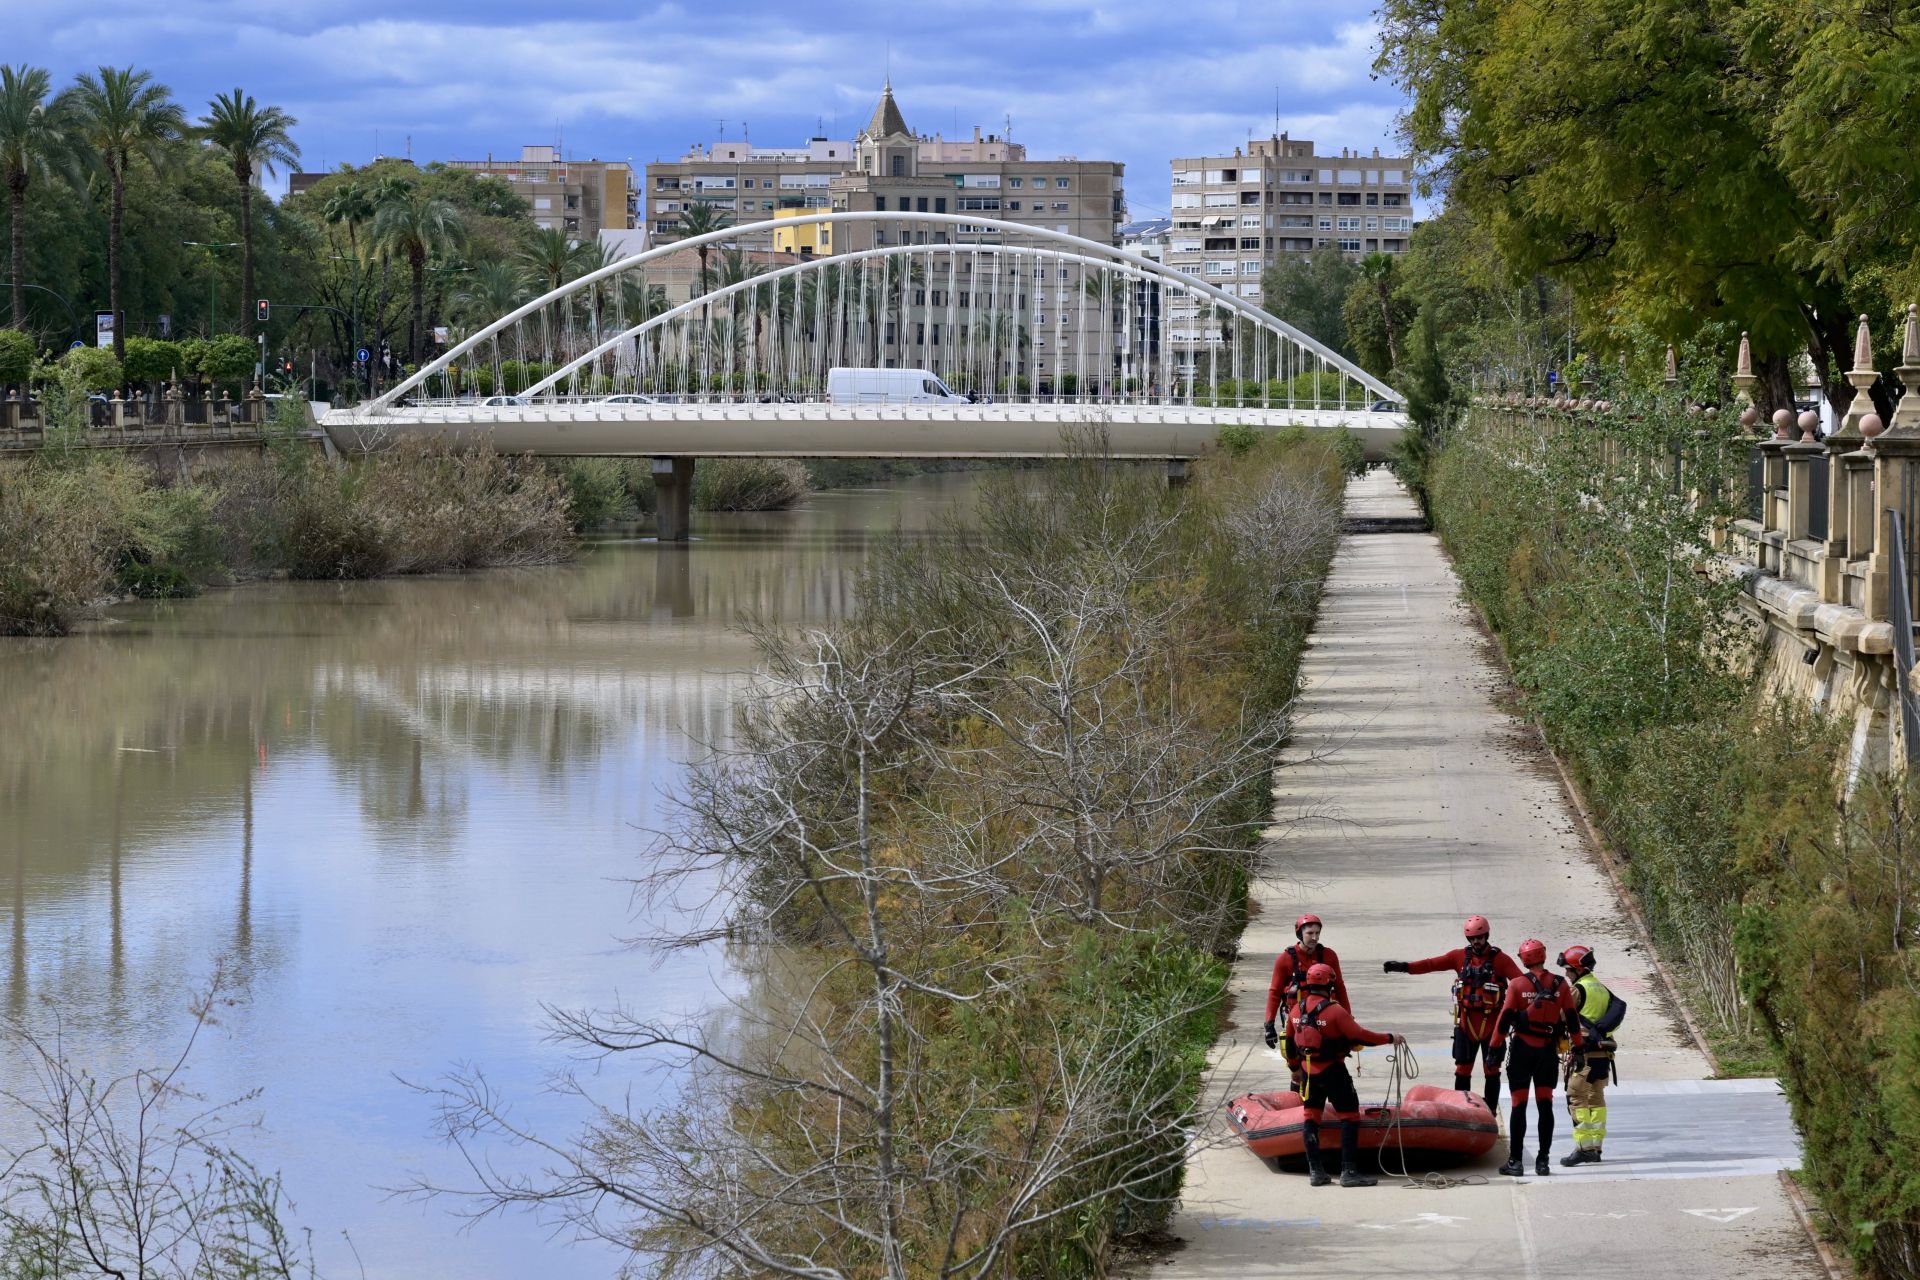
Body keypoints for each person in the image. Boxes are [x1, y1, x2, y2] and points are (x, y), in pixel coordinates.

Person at [1382, 914, 1522, 1120]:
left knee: (1491, 1070)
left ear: (1487, 936)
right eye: (1473, 939)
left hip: (1492, 1026)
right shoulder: (1459, 957)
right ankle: (1461, 1112)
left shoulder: (1501, 960)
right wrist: (1405, 967)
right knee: (1462, 1071)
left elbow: (1520, 982)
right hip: (1467, 1025)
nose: (1476, 942)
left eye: (1480, 938)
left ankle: (1490, 1113)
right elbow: (1432, 964)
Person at [1286, 962, 1406, 1187]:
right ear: (1329, 983)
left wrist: (1295, 1070)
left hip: (1308, 1073)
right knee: (1349, 1117)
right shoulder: (1335, 1011)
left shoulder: (1295, 1010)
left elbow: (1291, 1045)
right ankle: (1349, 1171)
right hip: (1333, 1071)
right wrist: (1390, 1038)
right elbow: (1361, 1036)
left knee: (1311, 1118)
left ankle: (1316, 1171)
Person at [1490, 938, 1579, 1177]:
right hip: (1547, 1052)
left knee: (1519, 1105)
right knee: (1545, 1105)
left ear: (1523, 959)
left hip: (1522, 1051)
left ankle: (1516, 1162)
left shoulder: (1517, 985)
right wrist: (1578, 1048)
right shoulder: (1560, 985)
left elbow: (1505, 1019)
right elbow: (1572, 1020)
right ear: (1544, 955)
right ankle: (1543, 1162)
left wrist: (1493, 1049)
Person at [1263, 914, 1351, 1077]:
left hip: (1326, 1018)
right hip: (1298, 1020)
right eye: (1310, 933)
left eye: (1317, 933)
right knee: (1297, 1066)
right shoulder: (1285, 959)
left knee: (1334, 1061)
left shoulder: (1329, 956)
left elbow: (1339, 988)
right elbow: (1274, 993)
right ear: (1299, 934)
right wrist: (1269, 1025)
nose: (1315, 937)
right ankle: (1299, 1094)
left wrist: (1348, 1018)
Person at [1557, 945, 1617, 1166]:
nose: (1566, 974)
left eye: (1568, 970)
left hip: (1584, 1055)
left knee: (1576, 1097)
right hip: (1604, 1055)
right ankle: (1596, 1149)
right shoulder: (1600, 988)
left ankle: (1583, 1148)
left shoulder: (1578, 989)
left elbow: (1562, 1016)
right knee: (1596, 1099)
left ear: (1577, 969)